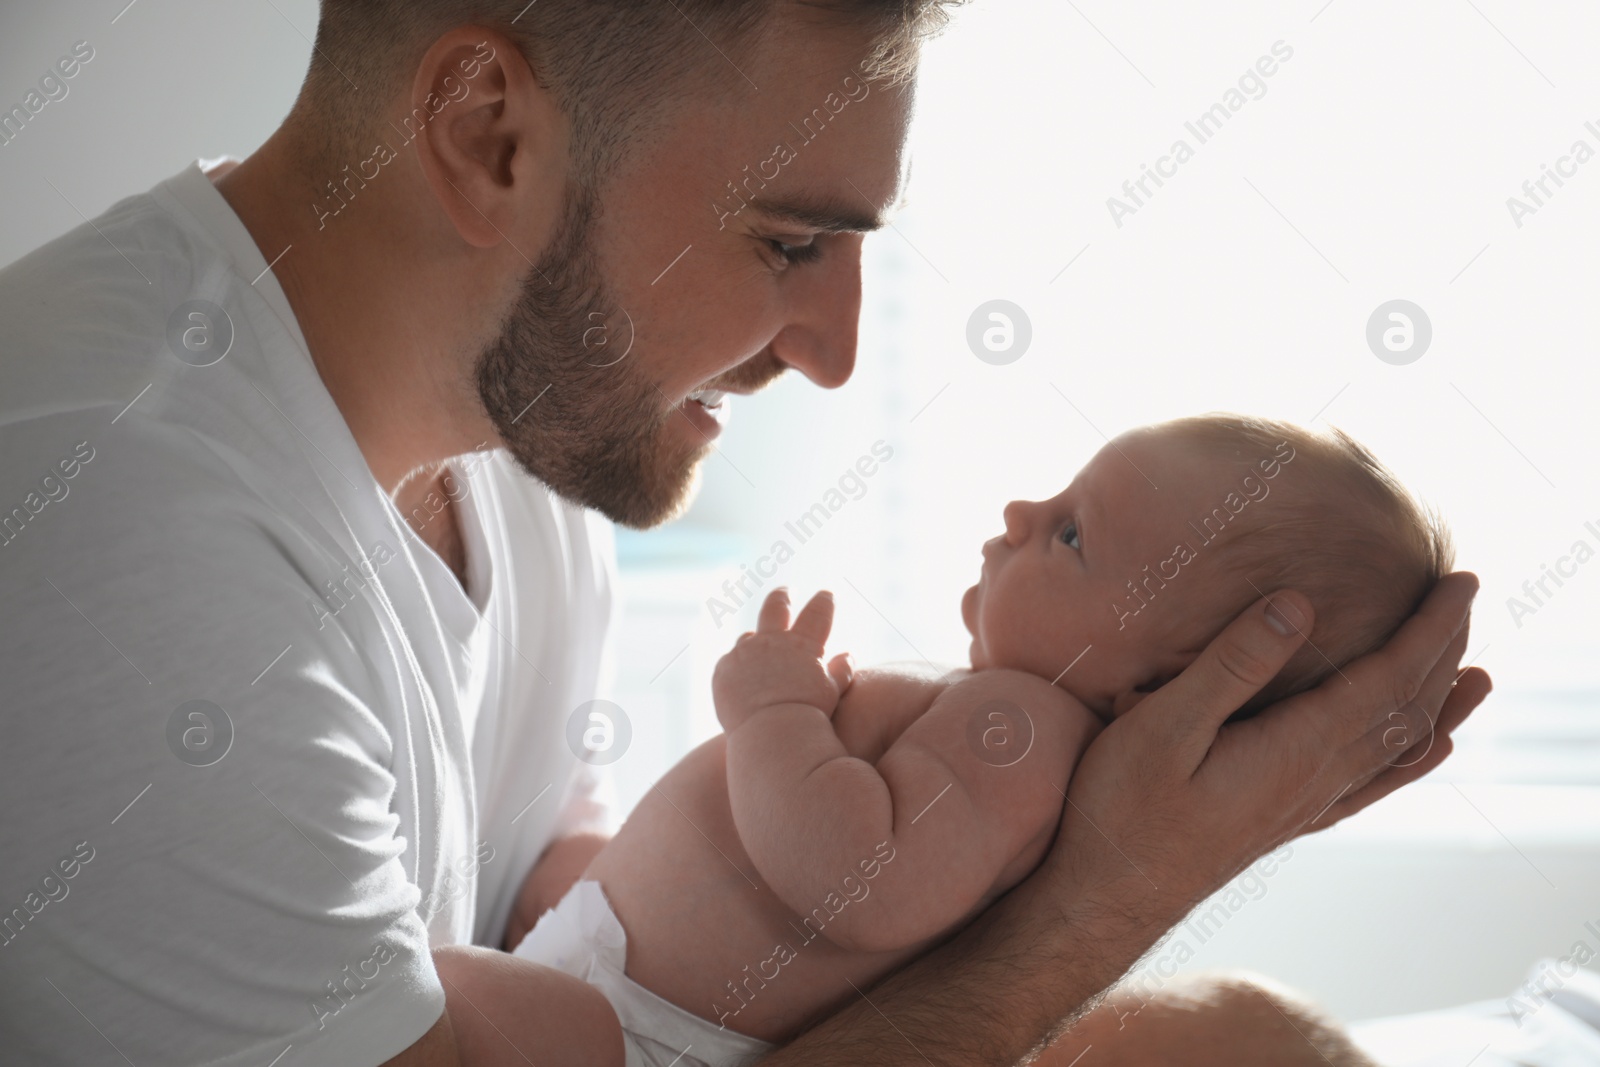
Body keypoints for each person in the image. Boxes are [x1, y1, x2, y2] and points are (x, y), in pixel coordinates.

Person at [0, 2, 1488, 1065]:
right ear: (487, 131)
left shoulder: (524, 437)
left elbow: (553, 890)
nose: (836, 349)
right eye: (790, 240)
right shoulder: (114, 525)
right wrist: (1102, 897)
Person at [505, 415, 1455, 1065]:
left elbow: (859, 878)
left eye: (1074, 535)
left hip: (636, 1027)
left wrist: (774, 718)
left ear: (1159, 689)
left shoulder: (1023, 739)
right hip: (617, 981)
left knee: (439, 1019)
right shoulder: (1008, 720)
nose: (1022, 515)